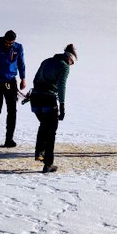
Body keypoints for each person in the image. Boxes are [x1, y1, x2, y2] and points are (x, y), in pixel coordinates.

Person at [31, 44, 76, 173]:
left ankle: (39, 151)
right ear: (69, 58)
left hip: (35, 98)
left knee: (44, 124)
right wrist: (62, 105)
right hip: (48, 99)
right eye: (72, 63)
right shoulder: (64, 66)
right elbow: (62, 86)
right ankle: (48, 164)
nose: (71, 65)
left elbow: (35, 79)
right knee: (51, 131)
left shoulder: (46, 61)